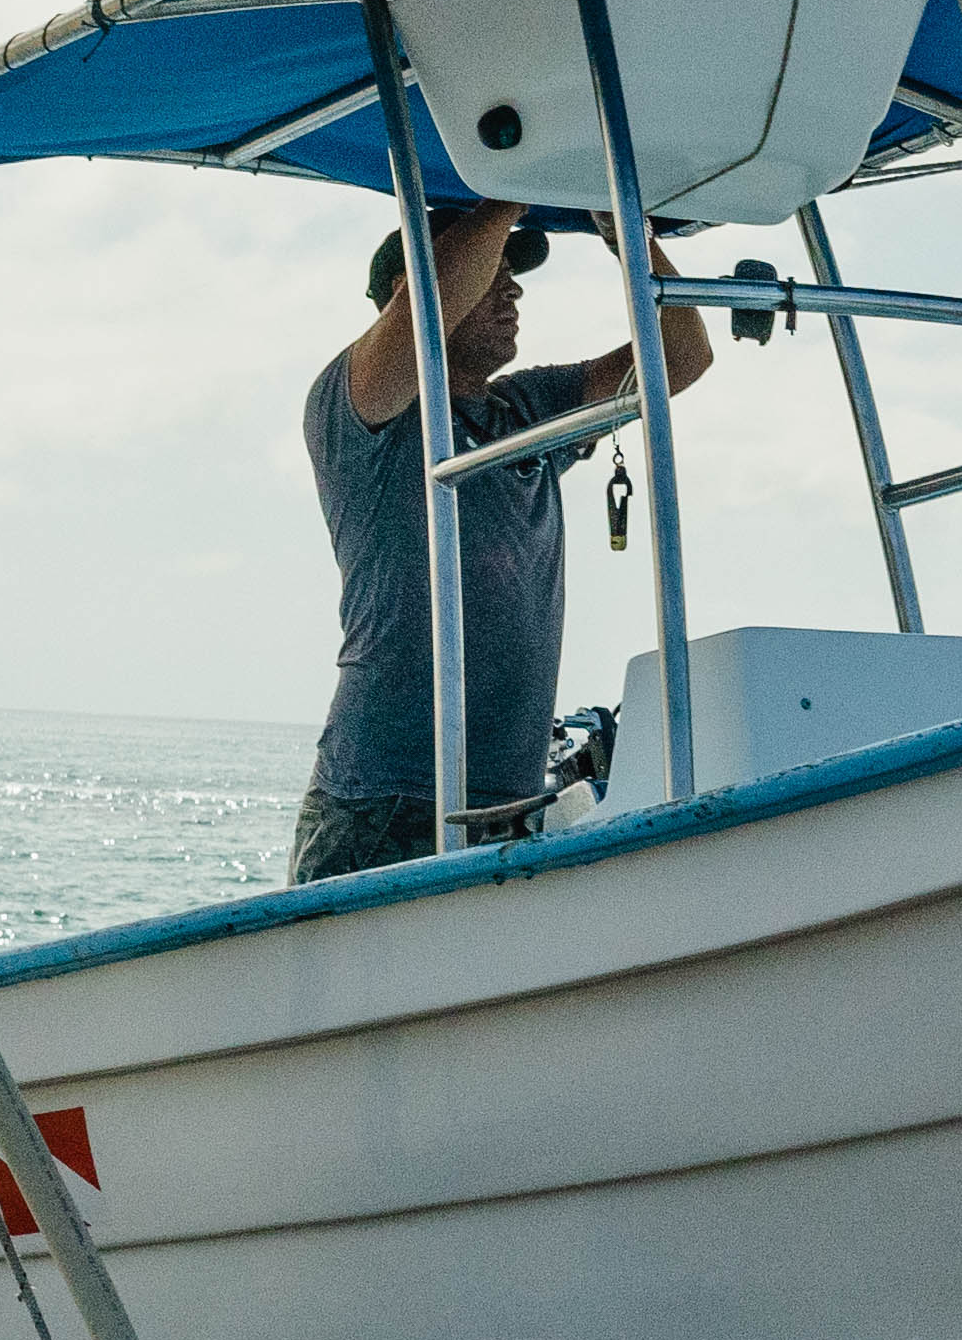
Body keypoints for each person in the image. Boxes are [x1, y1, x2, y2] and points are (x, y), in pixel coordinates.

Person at [291, 203, 707, 884]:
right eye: (494, 271)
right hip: (386, 806)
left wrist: (628, 243)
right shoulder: (360, 403)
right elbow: (420, 314)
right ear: (415, 287)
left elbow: (684, 355)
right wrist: (509, 186)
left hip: (512, 805)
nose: (513, 289)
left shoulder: (526, 408)